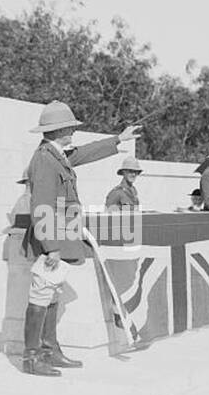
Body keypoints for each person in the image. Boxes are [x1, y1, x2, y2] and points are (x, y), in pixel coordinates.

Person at [23, 101, 140, 376]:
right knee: (42, 293)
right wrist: (51, 247)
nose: (73, 131)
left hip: (62, 236)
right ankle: (32, 357)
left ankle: (49, 349)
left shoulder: (57, 155)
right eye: (69, 127)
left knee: (52, 292)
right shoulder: (44, 158)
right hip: (53, 239)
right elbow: (41, 205)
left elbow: (84, 153)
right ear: (58, 130)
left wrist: (118, 139)